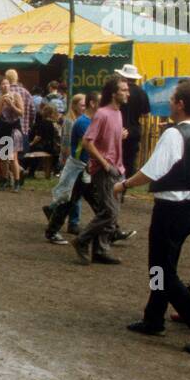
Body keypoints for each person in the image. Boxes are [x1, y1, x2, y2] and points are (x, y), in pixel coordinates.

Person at [116, 80, 190, 356]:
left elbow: (152, 171)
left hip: (170, 208)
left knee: (163, 271)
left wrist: (125, 184)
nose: (169, 102)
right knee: (163, 264)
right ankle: (153, 317)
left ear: (180, 104)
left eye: (173, 98)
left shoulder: (175, 135)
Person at [73, 76, 129, 265]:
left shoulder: (118, 113)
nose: (127, 93)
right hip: (105, 171)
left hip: (116, 169)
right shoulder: (102, 113)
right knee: (109, 213)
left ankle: (100, 250)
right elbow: (88, 142)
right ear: (114, 93)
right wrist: (105, 165)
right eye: (123, 89)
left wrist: (120, 137)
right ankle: (82, 240)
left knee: (112, 212)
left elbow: (106, 141)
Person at [44, 92, 97, 244]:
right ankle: (57, 225)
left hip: (83, 167)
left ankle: (111, 229)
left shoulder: (87, 121)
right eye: (80, 104)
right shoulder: (78, 122)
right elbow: (68, 143)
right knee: (71, 199)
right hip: (78, 167)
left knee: (85, 200)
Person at [116, 64, 150, 176]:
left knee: (115, 156)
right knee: (129, 160)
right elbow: (145, 114)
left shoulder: (117, 91)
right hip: (134, 130)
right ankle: (125, 183)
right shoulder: (142, 93)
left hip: (117, 127)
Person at [0, 77, 24, 191]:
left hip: (14, 129)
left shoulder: (16, 96)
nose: (5, 86)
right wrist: (1, 105)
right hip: (2, 129)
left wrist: (12, 105)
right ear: (0, 86)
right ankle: (4, 180)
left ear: (10, 85)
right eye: (2, 84)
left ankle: (17, 182)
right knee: (3, 157)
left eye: (7, 84)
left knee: (12, 157)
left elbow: (21, 112)